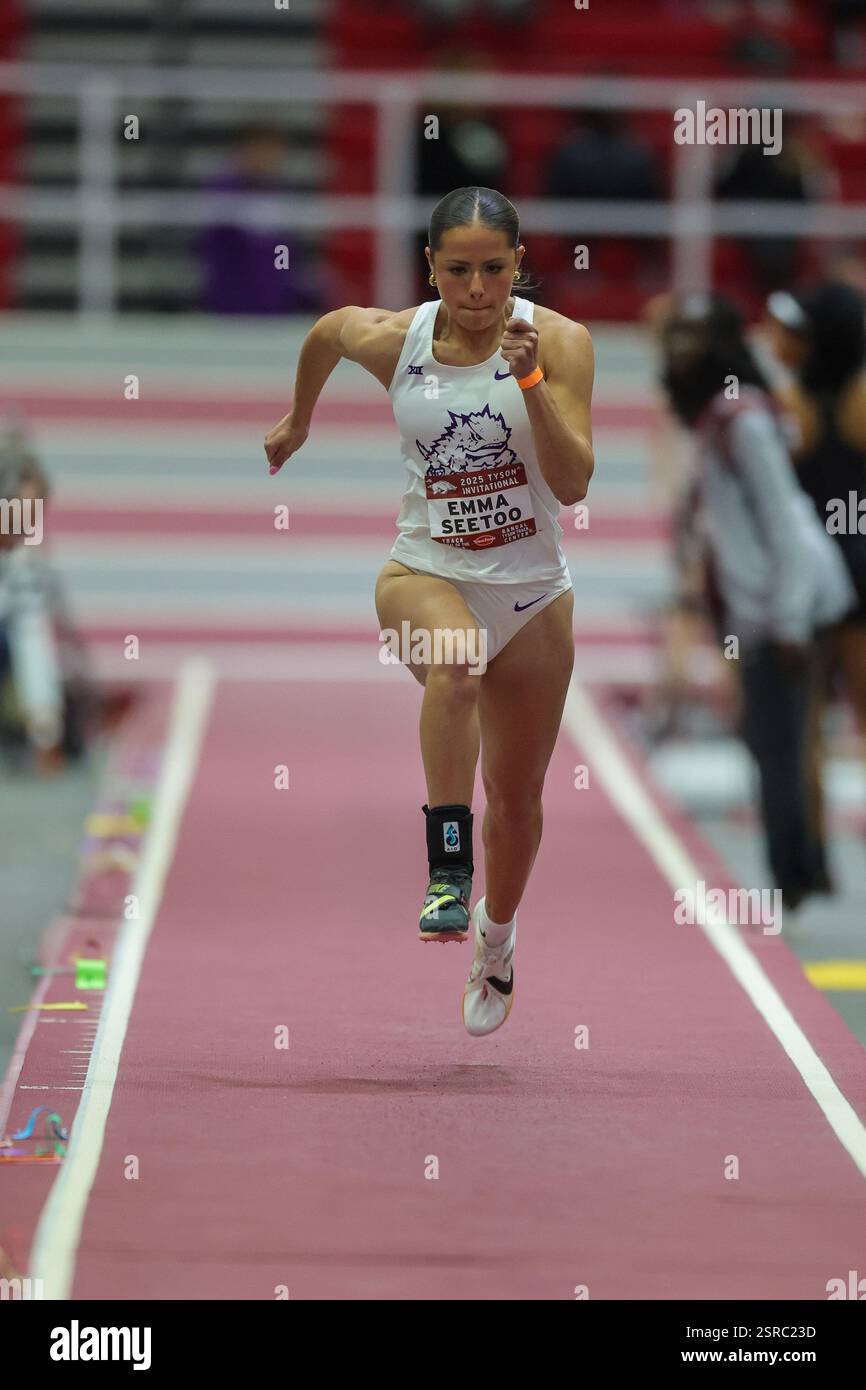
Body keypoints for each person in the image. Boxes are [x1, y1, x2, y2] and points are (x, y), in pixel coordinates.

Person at [264, 186, 594, 1036]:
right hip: (423, 571)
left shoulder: (559, 342)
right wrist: (296, 419)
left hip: (531, 592)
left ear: (520, 264)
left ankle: (498, 937)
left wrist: (528, 380)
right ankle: (447, 872)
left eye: (494, 270)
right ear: (430, 269)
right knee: (454, 661)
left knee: (517, 802)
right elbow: (328, 329)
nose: (477, 292)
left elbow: (573, 482)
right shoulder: (398, 339)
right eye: (458, 272)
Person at [659, 293, 856, 911]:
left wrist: (790, 623)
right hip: (762, 606)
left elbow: (784, 524)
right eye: (676, 342)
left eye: (696, 341)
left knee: (780, 741)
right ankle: (799, 868)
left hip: (787, 605)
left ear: (722, 347)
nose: (682, 355)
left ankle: (791, 879)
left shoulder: (743, 420)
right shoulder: (718, 415)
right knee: (772, 739)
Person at [764, 282, 866, 840]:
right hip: (851, 565)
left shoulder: (789, 407)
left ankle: (810, 850)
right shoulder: (856, 402)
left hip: (810, 572)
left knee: (808, 725)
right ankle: (811, 844)